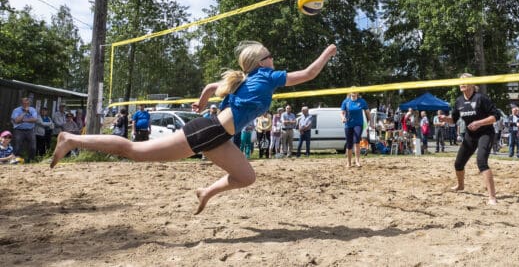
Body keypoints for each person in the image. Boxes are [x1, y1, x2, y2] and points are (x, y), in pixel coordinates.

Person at [51, 41, 337, 215]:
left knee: (246, 176)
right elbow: (309, 73)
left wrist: (201, 102)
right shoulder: (266, 76)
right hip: (207, 132)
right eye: (270, 55)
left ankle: (206, 192)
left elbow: (213, 86)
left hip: (217, 136)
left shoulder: (245, 79)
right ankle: (72, 139)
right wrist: (329, 51)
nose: (273, 58)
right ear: (261, 62)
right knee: (134, 150)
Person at [439, 73, 500, 205]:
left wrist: (479, 123)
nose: (462, 84)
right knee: (458, 164)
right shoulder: (459, 101)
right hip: (470, 135)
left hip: (486, 133)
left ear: (472, 83)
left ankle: (492, 197)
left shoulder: (481, 98)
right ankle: (460, 185)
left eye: (465, 81)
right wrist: (445, 119)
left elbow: (496, 116)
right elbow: (453, 120)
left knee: (481, 162)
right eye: (460, 81)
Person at [340, 91, 371, 168]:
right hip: (348, 124)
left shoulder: (362, 101)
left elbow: (367, 112)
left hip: (358, 124)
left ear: (357, 93)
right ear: (350, 93)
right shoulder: (346, 101)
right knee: (349, 143)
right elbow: (342, 112)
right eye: (352, 92)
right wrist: (343, 118)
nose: (353, 93)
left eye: (355, 91)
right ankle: (349, 162)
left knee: (356, 141)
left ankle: (357, 161)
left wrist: (371, 122)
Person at [10, 97, 38, 163]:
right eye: (24, 103)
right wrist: (25, 112)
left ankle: (31, 160)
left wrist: (23, 120)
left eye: (27, 103)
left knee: (33, 146)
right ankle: (16, 160)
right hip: (19, 130)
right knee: (17, 146)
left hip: (30, 130)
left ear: (29, 103)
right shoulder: (16, 110)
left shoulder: (33, 110)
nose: (26, 105)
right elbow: (16, 120)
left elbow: (35, 119)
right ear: (21, 103)